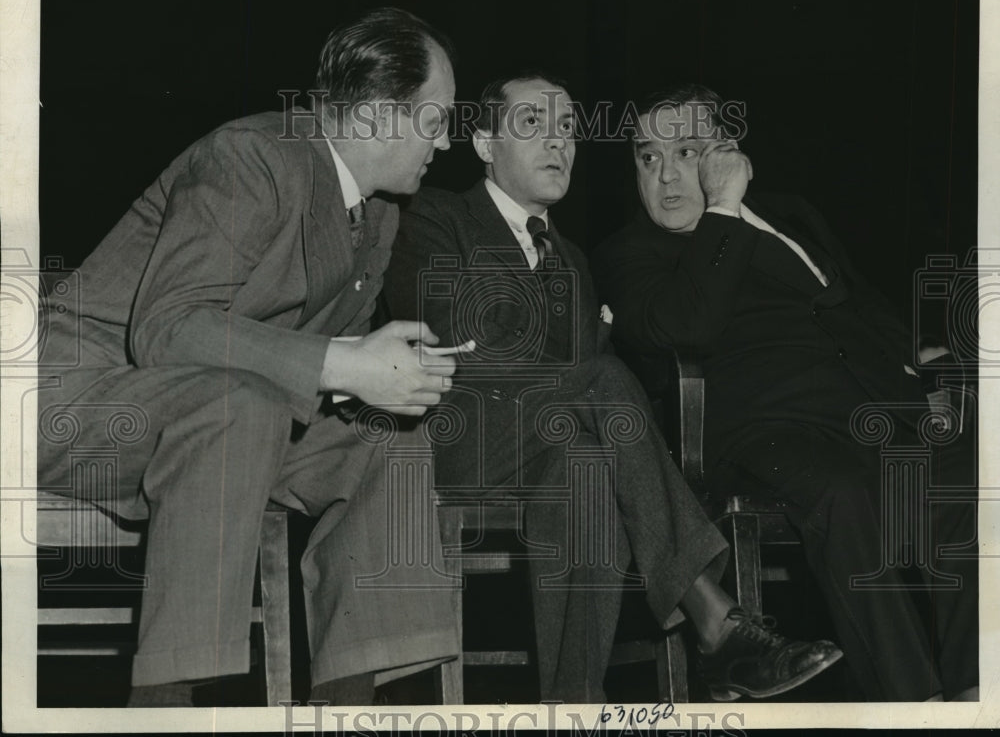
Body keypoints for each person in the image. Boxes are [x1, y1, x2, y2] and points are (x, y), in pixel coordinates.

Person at [36, 7, 461, 707]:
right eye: (435, 118)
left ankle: (349, 707)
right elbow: (168, 330)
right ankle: (166, 710)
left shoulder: (379, 209)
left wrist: (377, 368)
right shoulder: (251, 158)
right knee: (239, 406)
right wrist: (343, 362)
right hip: (81, 401)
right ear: (372, 118)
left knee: (385, 436)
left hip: (224, 416)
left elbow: (310, 361)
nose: (444, 141)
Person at [383, 72, 842, 703]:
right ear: (485, 144)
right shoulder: (437, 216)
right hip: (459, 441)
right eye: (533, 126)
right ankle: (713, 617)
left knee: (588, 469)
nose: (559, 143)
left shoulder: (573, 258)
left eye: (568, 129)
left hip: (551, 448)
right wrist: (580, 358)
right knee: (599, 382)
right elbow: (466, 346)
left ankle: (574, 705)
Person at [591, 83, 978, 701]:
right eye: (647, 156)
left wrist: (912, 362)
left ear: (726, 152)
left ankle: (973, 691)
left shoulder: (790, 211)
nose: (664, 175)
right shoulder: (629, 251)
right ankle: (913, 701)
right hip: (768, 430)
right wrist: (722, 206)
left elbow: (853, 299)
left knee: (970, 477)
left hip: (868, 411)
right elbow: (684, 324)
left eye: (686, 151)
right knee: (845, 492)